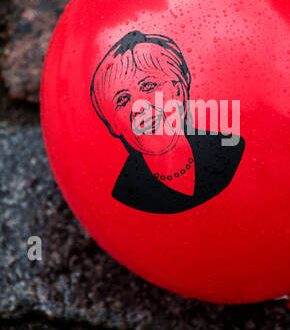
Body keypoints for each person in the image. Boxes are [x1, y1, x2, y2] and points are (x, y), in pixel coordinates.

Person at [89, 30, 244, 214]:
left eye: (148, 86)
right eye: (122, 100)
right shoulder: (126, 191)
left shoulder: (229, 149)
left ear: (179, 91)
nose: (139, 106)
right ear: (113, 124)